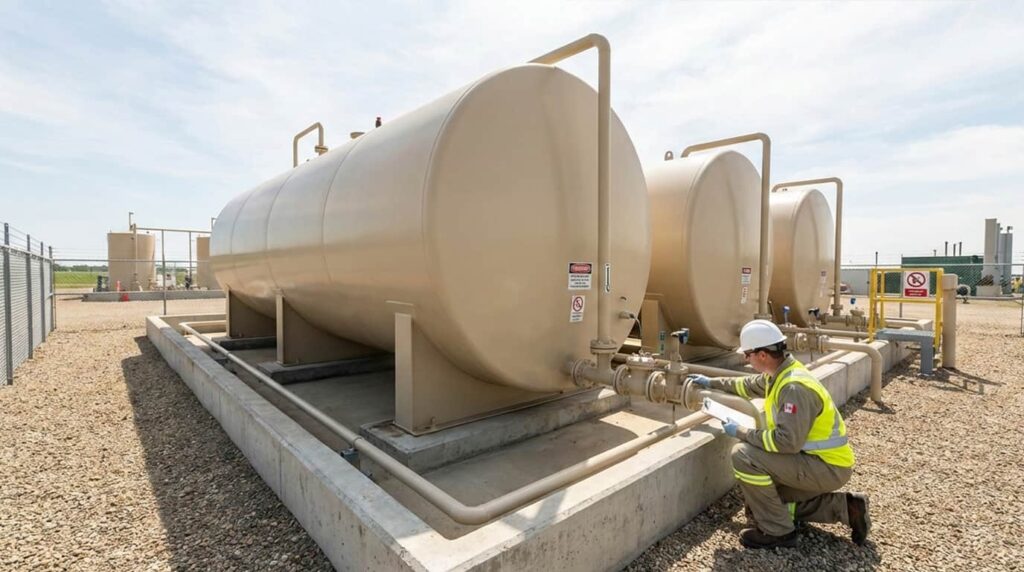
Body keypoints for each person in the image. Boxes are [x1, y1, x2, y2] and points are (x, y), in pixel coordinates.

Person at [687, 319, 871, 549]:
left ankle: (779, 533)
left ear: (763, 355)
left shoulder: (793, 388)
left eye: (748, 354)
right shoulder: (781, 373)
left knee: (743, 455)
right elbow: (747, 385)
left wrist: (741, 431)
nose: (746, 359)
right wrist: (711, 383)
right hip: (818, 463)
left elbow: (786, 443)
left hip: (827, 467)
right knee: (762, 503)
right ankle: (847, 508)